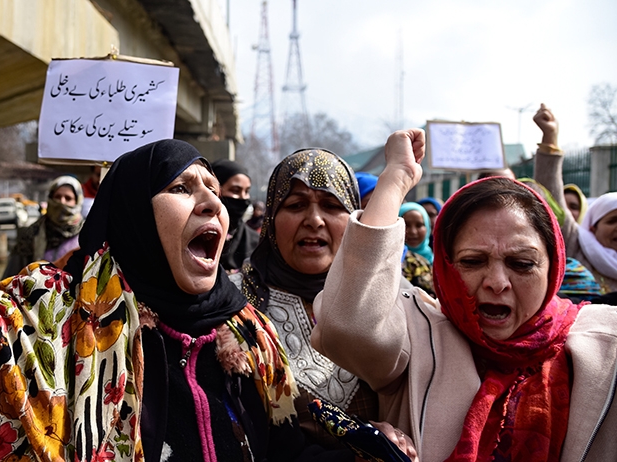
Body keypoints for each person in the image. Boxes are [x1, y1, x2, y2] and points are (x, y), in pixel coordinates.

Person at [0, 21, 390, 462]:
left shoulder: (247, 331)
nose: (211, 202)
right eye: (182, 187)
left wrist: (369, 446)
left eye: (213, 189)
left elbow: (285, 442)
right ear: (131, 216)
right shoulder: (49, 316)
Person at [311, 128, 617, 461]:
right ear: (445, 266)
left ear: (553, 266)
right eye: (473, 261)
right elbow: (347, 323)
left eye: (521, 263)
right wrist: (396, 179)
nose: (497, 282)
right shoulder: (418, 337)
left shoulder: (606, 345)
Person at [235, 148, 382, 448]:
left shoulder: (386, 299)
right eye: (296, 205)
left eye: (331, 205)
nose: (314, 220)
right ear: (271, 218)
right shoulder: (233, 302)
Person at [533, 103, 617, 292]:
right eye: (612, 220)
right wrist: (549, 139)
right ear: (593, 227)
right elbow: (551, 198)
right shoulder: (578, 246)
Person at [2, 175, 84, 277]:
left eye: (68, 198)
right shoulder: (30, 235)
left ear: (77, 201)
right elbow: (12, 276)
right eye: (57, 197)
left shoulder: (88, 234)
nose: (62, 202)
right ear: (50, 198)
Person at [211, 159, 259, 272]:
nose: (243, 198)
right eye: (236, 190)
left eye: (247, 191)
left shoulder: (255, 242)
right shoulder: (197, 237)